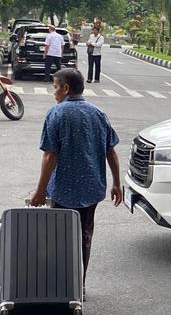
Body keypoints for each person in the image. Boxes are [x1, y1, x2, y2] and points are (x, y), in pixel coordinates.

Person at [27, 68, 124, 291]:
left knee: (60, 236)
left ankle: (62, 285)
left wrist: (40, 190)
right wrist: (117, 184)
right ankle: (79, 284)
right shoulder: (98, 113)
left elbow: (50, 155)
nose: (54, 93)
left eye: (55, 88)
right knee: (85, 235)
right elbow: (111, 152)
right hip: (92, 188)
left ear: (66, 88)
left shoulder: (56, 113)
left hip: (63, 190)